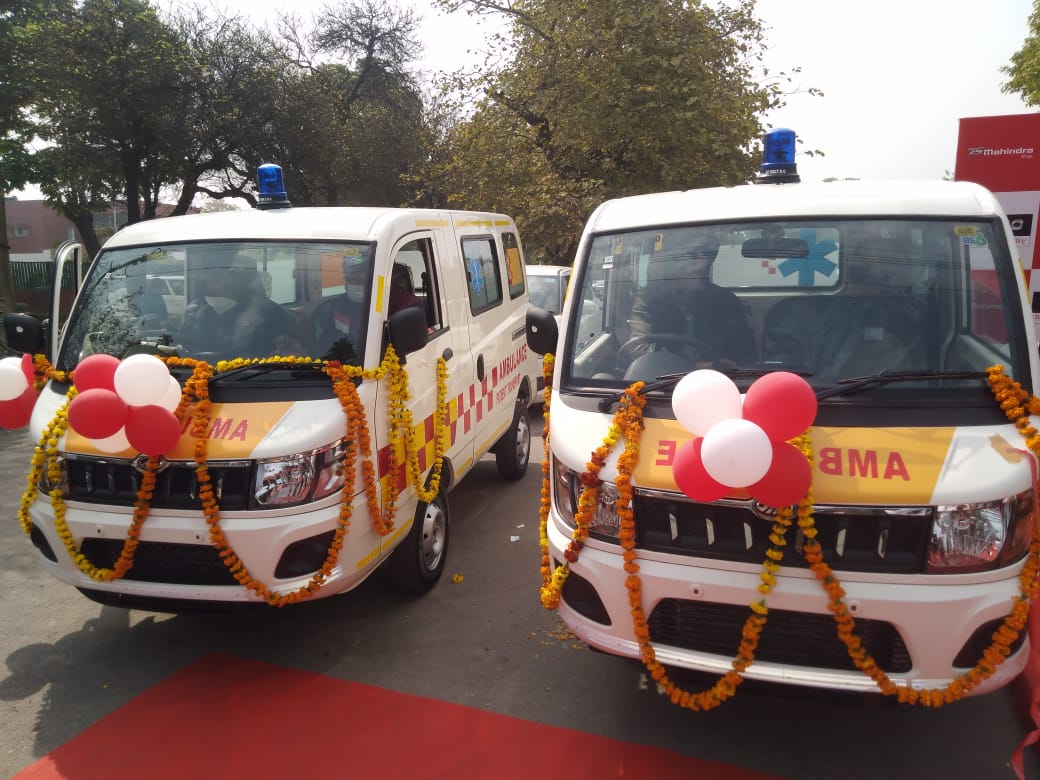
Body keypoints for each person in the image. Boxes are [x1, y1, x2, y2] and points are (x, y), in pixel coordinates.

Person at [626, 232, 757, 368]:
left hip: (719, 384)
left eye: (708, 256)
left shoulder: (726, 302)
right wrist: (695, 366)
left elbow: (746, 358)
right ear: (672, 262)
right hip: (661, 385)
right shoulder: (649, 300)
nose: (703, 265)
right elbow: (638, 351)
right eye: (692, 255)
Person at [179, 251, 294, 359]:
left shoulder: (269, 311)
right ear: (205, 278)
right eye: (216, 276)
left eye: (233, 275)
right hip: (200, 376)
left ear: (244, 278)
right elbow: (183, 348)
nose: (226, 280)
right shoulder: (192, 311)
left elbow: (283, 353)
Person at [310, 249, 369, 363]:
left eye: (359, 280)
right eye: (349, 280)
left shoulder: (381, 307)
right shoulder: (328, 309)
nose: (354, 285)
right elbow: (321, 351)